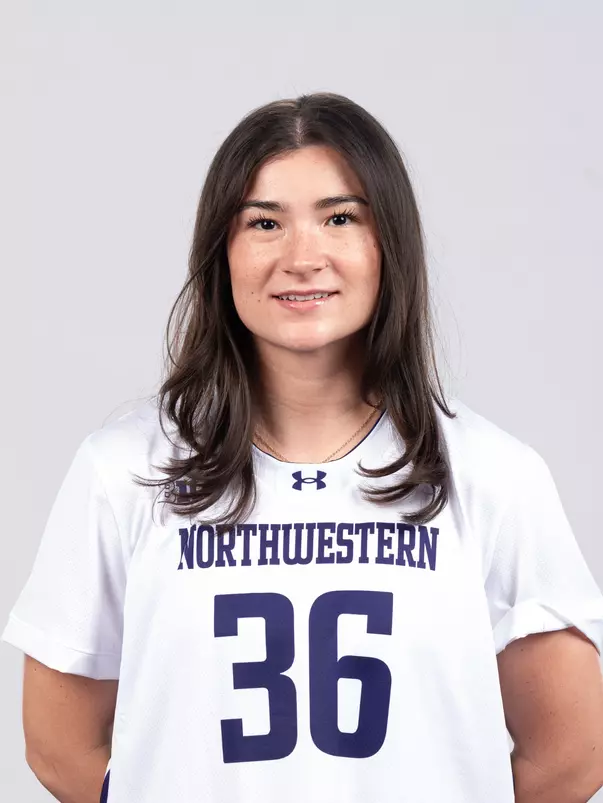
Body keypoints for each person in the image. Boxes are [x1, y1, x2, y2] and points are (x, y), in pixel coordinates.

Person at [3, 92, 603, 803]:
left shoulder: (492, 476)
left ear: (389, 247)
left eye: (340, 218)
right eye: (264, 223)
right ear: (221, 251)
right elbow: (57, 743)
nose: (301, 256)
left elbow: (569, 753)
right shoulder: (125, 470)